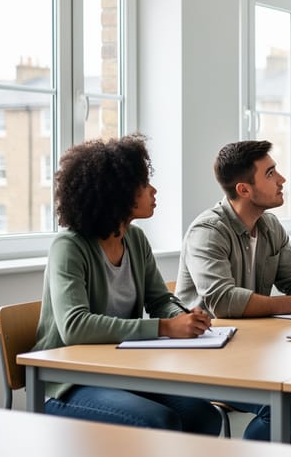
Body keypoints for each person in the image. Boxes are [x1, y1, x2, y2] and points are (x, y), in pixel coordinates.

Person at [32, 134, 221, 435]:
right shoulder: (69, 247)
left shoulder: (135, 239)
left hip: (121, 371)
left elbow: (159, 299)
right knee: (160, 422)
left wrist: (184, 316)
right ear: (117, 192)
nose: (154, 191)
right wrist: (164, 327)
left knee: (204, 415)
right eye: (144, 185)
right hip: (67, 382)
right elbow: (74, 326)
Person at [176, 139, 291, 442]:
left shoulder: (270, 225)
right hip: (208, 357)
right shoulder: (208, 231)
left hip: (253, 351)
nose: (282, 180)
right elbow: (223, 301)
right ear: (244, 189)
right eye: (270, 173)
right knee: (288, 407)